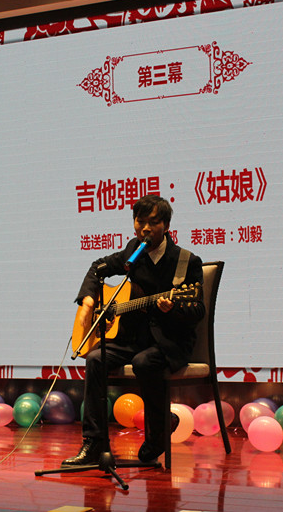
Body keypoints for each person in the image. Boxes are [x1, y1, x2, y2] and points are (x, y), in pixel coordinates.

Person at [62, 195, 205, 466]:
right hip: (133, 338)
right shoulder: (133, 252)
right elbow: (98, 269)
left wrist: (172, 308)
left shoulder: (185, 261)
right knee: (96, 358)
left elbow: (197, 310)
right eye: (140, 222)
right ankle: (93, 443)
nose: (145, 228)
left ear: (166, 226)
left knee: (144, 361)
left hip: (169, 342)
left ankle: (157, 432)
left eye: (153, 222)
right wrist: (88, 301)